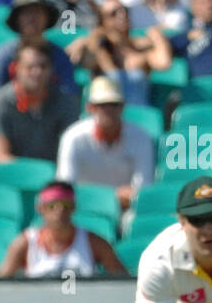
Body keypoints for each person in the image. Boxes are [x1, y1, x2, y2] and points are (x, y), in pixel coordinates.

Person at [55, 75, 154, 212]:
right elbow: (65, 189)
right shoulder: (73, 137)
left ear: (122, 107)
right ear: (90, 108)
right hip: (82, 209)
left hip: (124, 210)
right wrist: (114, 196)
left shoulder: (141, 137)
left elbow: (142, 191)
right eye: (101, 105)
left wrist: (92, 195)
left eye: (114, 104)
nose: (109, 111)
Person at [0, 180, 124, 278]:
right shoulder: (24, 243)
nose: (60, 210)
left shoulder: (94, 243)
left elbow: (123, 282)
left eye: (66, 205)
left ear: (74, 207)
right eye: (52, 205)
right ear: (40, 208)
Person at [0, 43, 80, 163]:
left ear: (51, 70)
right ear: (15, 69)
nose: (37, 72)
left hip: (55, 177)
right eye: (30, 67)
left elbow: (75, 151)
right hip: (12, 176)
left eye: (43, 66)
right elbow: (0, 157)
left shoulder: (64, 102)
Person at [65, 0, 171, 105]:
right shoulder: (99, 50)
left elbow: (164, 63)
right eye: (113, 13)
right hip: (106, 117)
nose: (122, 15)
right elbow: (80, 59)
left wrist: (157, 36)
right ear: (103, 21)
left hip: (139, 117)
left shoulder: (141, 49)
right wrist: (92, 37)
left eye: (124, 10)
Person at [0, 0, 78, 100]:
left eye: (38, 12)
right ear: (17, 19)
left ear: (47, 18)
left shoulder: (59, 55)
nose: (32, 18)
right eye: (27, 12)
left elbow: (69, 96)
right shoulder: (3, 54)